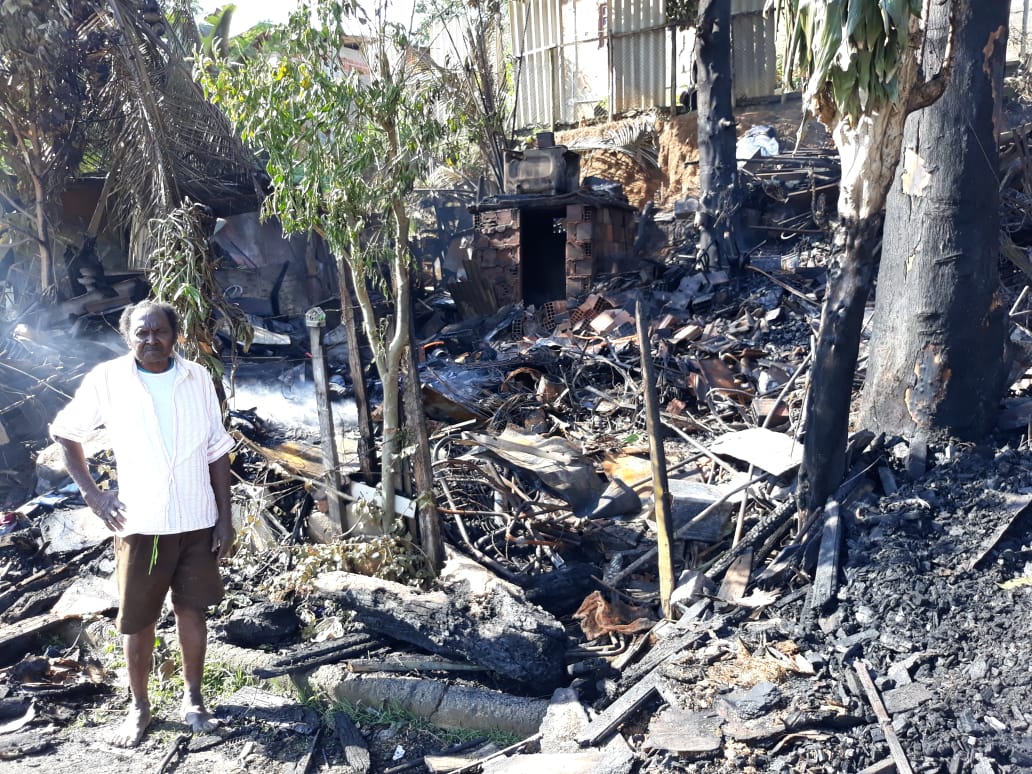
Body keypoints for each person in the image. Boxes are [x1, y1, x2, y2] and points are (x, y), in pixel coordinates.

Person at [50, 300, 235, 747]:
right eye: (141, 333)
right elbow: (65, 430)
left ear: (176, 336)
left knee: (192, 611)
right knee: (137, 622)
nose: (151, 340)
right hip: (141, 521)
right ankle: (140, 707)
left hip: (195, 518)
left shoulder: (198, 379)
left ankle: (194, 700)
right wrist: (95, 495)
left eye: (159, 332)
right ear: (127, 336)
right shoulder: (108, 380)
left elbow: (216, 451)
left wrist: (225, 519)